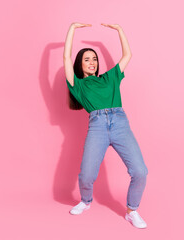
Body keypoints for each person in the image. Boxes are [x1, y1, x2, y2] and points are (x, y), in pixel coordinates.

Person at [63, 22, 149, 229]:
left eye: (94, 59)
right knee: (87, 175)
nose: (92, 62)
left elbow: (127, 56)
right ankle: (85, 201)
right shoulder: (78, 85)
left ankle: (132, 211)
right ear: (79, 64)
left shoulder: (110, 78)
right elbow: (66, 58)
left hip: (120, 123)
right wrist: (73, 28)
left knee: (140, 171)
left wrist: (120, 30)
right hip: (98, 126)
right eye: (87, 59)